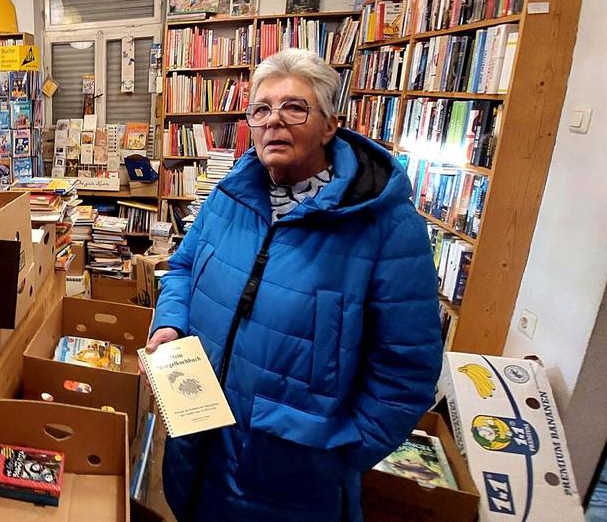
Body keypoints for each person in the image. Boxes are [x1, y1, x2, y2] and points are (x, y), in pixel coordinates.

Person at [146, 48, 442, 521]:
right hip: (197, 450)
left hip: (292, 480)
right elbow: (181, 269)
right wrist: (170, 326)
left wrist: (338, 456)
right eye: (261, 109)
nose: (273, 121)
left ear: (330, 125)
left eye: (294, 107)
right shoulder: (230, 197)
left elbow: (406, 373)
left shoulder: (384, 226)